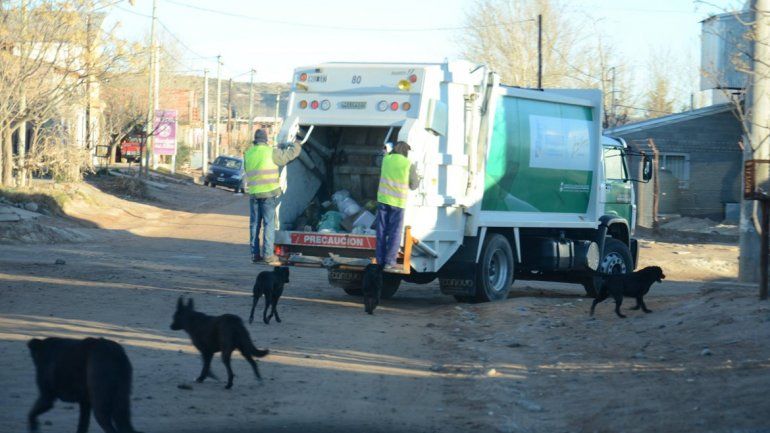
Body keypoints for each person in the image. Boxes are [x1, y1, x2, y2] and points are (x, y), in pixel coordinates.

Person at [244, 128, 303, 265]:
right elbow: (289, 156)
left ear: (255, 140)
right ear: (266, 140)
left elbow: (248, 170)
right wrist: (297, 144)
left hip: (254, 194)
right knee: (269, 225)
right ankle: (268, 256)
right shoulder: (271, 152)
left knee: (254, 225)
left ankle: (254, 255)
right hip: (268, 195)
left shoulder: (248, 153)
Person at [375, 141, 420, 272]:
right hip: (398, 204)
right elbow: (414, 185)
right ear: (406, 151)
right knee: (395, 233)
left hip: (383, 201)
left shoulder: (386, 159)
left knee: (381, 231)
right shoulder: (408, 164)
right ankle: (389, 262)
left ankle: (379, 260)